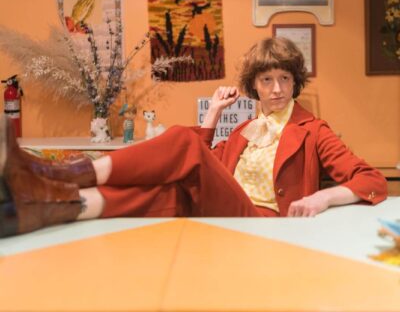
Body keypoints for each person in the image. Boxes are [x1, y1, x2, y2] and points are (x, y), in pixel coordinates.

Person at [0, 37, 387, 238]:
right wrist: (215, 115)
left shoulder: (312, 130)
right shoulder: (242, 130)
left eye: (284, 79)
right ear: (254, 85)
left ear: (295, 82)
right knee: (167, 192)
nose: (276, 88)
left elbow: (372, 180)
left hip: (265, 224)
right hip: (227, 216)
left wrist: (321, 197)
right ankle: (49, 204)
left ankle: (58, 173)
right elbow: (196, 168)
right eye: (266, 79)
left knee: (182, 139)